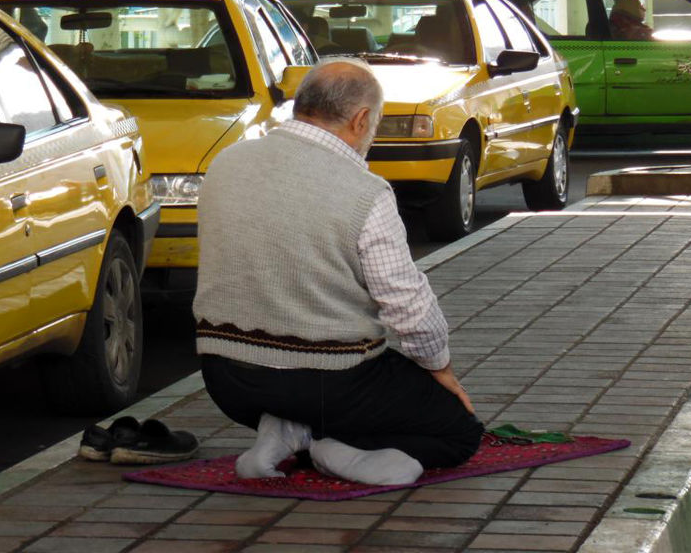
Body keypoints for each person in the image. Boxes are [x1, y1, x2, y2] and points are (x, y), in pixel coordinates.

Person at [193, 59, 482, 486]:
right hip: (328, 381)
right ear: (361, 119)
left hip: (228, 380)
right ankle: (338, 453)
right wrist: (439, 369)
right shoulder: (365, 191)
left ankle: (289, 431)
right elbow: (405, 302)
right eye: (376, 124)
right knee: (458, 430)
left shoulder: (226, 164)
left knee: (348, 399)